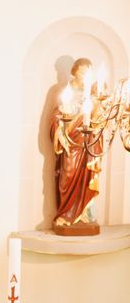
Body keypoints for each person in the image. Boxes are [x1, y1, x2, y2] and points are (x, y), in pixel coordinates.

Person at [50, 57, 102, 235]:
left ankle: (86, 214)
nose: (84, 74)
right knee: (68, 174)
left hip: (87, 140)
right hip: (70, 138)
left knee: (88, 176)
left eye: (87, 71)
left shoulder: (94, 91)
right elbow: (57, 115)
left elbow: (98, 117)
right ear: (74, 70)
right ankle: (65, 212)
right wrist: (60, 129)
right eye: (81, 70)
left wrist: (97, 106)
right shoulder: (66, 90)